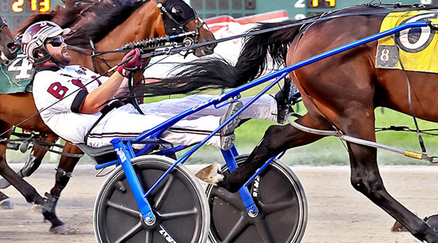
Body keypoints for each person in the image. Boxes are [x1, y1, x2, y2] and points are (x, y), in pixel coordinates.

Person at [22, 21, 288, 151]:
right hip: (98, 128)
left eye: (62, 38)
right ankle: (215, 130)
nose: (64, 44)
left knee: (192, 104)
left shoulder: (73, 70)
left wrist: (137, 72)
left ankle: (271, 106)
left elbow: (121, 90)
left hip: (121, 115)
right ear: (38, 53)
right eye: (55, 42)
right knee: (161, 125)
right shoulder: (46, 82)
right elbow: (90, 104)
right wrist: (121, 71)